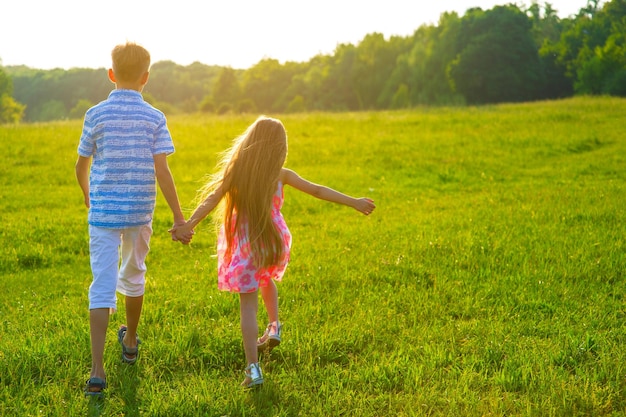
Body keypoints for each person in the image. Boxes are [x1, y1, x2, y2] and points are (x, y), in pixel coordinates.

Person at [170, 116, 376, 388]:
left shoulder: (237, 173)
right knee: (265, 278)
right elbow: (317, 190)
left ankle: (252, 369)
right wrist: (354, 202)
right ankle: (274, 325)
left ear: (250, 143)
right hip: (273, 241)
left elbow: (212, 198)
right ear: (279, 147)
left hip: (247, 243)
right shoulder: (282, 174)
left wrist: (188, 224)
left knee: (247, 304)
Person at [75, 41, 190, 397]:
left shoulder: (95, 115)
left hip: (104, 213)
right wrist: (179, 216)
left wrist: (88, 197)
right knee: (134, 274)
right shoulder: (155, 117)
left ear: (111, 75)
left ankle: (97, 371)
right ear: (146, 78)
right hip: (140, 211)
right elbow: (163, 172)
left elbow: (81, 165)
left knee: (102, 283)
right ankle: (131, 340)